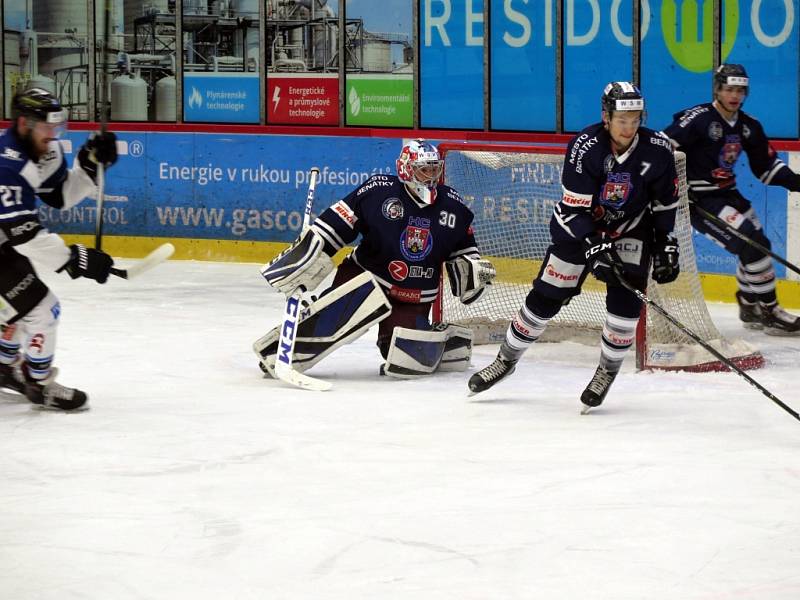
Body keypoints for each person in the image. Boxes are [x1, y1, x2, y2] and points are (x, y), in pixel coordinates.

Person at [469, 82, 680, 413]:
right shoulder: (586, 147)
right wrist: (595, 245)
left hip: (631, 230)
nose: (629, 126)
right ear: (606, 117)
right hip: (579, 229)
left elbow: (666, 202)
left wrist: (667, 240)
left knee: (625, 303)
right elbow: (573, 210)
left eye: (635, 118)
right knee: (545, 299)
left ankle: (606, 372)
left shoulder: (658, 148)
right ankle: (505, 360)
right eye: (622, 119)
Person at [255, 139, 496, 378]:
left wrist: (473, 274)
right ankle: (279, 354)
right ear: (406, 169)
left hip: (414, 294)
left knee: (407, 358)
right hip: (367, 276)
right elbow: (334, 227)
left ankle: (448, 342)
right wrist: (304, 258)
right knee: (335, 318)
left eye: (435, 168)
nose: (431, 176)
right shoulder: (378, 191)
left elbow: (465, 252)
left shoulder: (453, 206)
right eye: (424, 169)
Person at [0, 88, 118, 409]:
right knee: (43, 310)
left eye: (57, 128)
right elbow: (25, 236)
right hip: (8, 242)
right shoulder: (9, 165)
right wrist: (74, 259)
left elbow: (61, 195)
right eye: (46, 128)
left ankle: (2, 363)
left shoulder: (43, 151)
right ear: (24, 124)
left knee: (17, 307)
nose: (52, 136)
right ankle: (40, 383)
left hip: (4, 245)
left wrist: (89, 166)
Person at [663, 64, 800, 335]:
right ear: (718, 89)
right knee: (754, 243)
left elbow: (766, 168)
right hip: (700, 201)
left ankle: (749, 304)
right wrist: (672, 187)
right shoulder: (698, 118)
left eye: (739, 90)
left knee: (757, 244)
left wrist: (796, 182)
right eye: (729, 89)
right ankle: (770, 311)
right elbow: (662, 148)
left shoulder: (748, 125)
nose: (734, 95)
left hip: (729, 195)